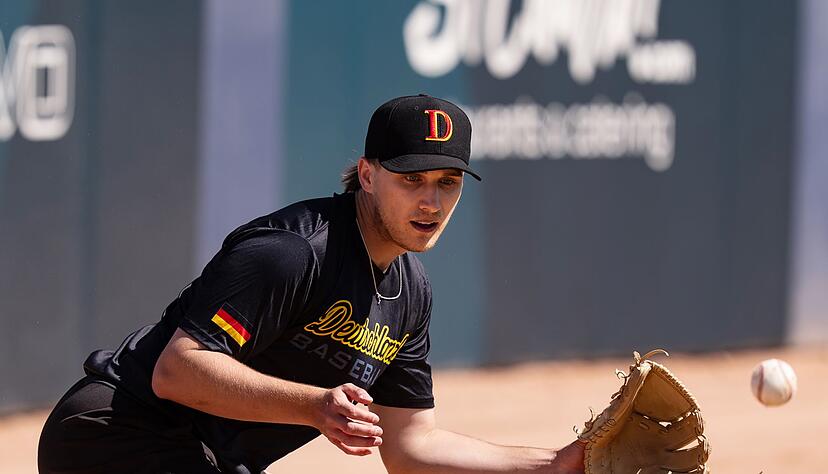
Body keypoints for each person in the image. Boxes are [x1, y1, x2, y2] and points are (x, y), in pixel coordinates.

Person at [38, 94, 585, 473]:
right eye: (411, 180)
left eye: (447, 183)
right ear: (367, 175)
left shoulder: (410, 293)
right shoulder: (293, 252)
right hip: (115, 432)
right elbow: (178, 370)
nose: (431, 201)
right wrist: (315, 405)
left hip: (197, 458)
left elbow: (412, 447)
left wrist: (555, 463)